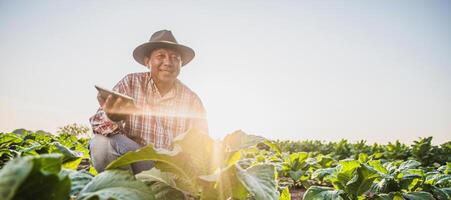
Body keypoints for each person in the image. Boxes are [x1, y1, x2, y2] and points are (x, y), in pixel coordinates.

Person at [88, 30, 208, 174]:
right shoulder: (131, 83)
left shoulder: (191, 100)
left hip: (171, 171)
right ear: (147, 62)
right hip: (139, 161)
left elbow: (202, 145)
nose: (168, 62)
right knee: (101, 144)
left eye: (175, 57)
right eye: (161, 56)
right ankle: (126, 191)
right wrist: (111, 117)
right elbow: (98, 123)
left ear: (180, 64)